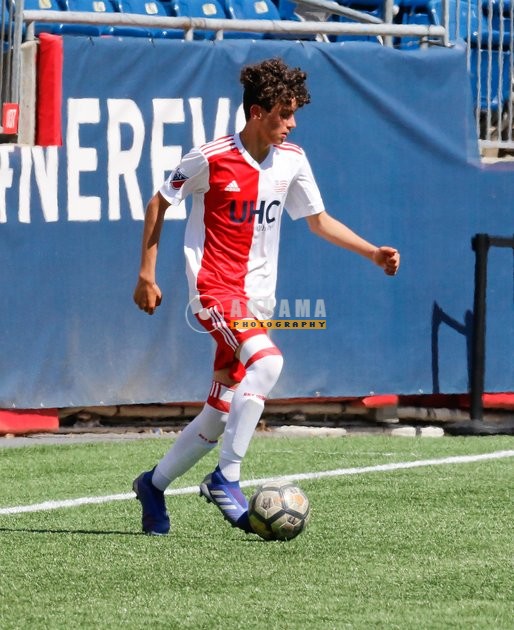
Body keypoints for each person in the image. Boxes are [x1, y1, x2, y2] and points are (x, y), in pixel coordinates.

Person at [132, 57, 400, 536]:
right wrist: (146, 275)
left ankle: (153, 485)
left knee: (219, 412)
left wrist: (372, 253)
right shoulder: (210, 157)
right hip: (214, 290)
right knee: (269, 363)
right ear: (257, 112)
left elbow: (318, 221)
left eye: (294, 113)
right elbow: (159, 202)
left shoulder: (291, 160)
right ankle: (226, 476)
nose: (292, 123)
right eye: (285, 113)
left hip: (258, 301)